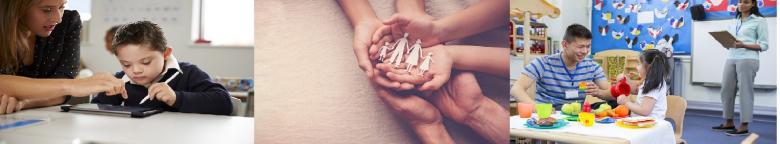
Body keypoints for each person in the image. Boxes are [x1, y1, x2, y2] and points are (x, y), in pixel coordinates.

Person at [0, 0, 125, 115]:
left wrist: (23, 103)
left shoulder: (68, 22)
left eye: (62, 6)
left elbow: (61, 93)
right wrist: (72, 85)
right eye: (47, 10)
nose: (58, 18)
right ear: (18, 7)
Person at [91, 21, 232, 115]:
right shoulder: (120, 80)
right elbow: (95, 112)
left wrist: (176, 98)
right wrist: (104, 94)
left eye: (146, 62)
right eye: (126, 64)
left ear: (166, 53)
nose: (135, 70)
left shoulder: (187, 73)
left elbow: (224, 103)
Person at [512, 24, 622, 108]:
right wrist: (536, 108)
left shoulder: (592, 67)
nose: (585, 51)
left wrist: (599, 92)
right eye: (580, 46)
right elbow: (516, 89)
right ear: (565, 44)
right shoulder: (543, 63)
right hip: (546, 119)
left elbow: (610, 92)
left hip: (575, 120)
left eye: (588, 46)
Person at [711, 0, 769, 136]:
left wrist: (744, 45)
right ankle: (728, 122)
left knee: (745, 92)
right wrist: (726, 42)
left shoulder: (759, 21)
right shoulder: (735, 20)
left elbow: (764, 45)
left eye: (746, 2)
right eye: (740, 2)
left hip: (748, 58)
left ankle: (744, 125)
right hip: (731, 56)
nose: (741, 5)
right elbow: (733, 41)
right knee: (726, 90)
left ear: (753, 4)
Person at [616, 49, 669, 120]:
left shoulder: (653, 84)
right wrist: (625, 81)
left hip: (650, 125)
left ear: (649, 67)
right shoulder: (650, 81)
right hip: (644, 122)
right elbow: (637, 90)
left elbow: (644, 111)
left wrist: (626, 102)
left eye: (639, 64)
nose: (636, 67)